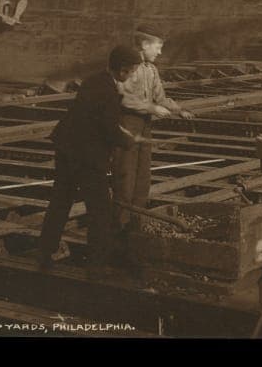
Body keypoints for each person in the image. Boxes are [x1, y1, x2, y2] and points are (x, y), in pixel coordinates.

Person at [36, 45, 144, 274]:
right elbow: (108, 128)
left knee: (60, 202)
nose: (133, 75)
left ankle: (44, 254)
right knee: (100, 211)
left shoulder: (94, 80)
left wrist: (118, 131)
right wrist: (129, 140)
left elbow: (94, 118)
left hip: (66, 148)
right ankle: (96, 265)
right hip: (87, 156)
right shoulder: (109, 91)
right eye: (132, 71)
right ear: (123, 70)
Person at [112, 27, 195, 231]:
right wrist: (151, 107)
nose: (159, 52)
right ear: (144, 45)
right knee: (125, 176)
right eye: (157, 47)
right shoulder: (129, 67)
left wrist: (179, 109)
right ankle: (120, 225)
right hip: (127, 124)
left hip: (144, 125)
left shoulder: (151, 70)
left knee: (142, 176)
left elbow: (160, 97)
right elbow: (122, 98)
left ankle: (136, 222)